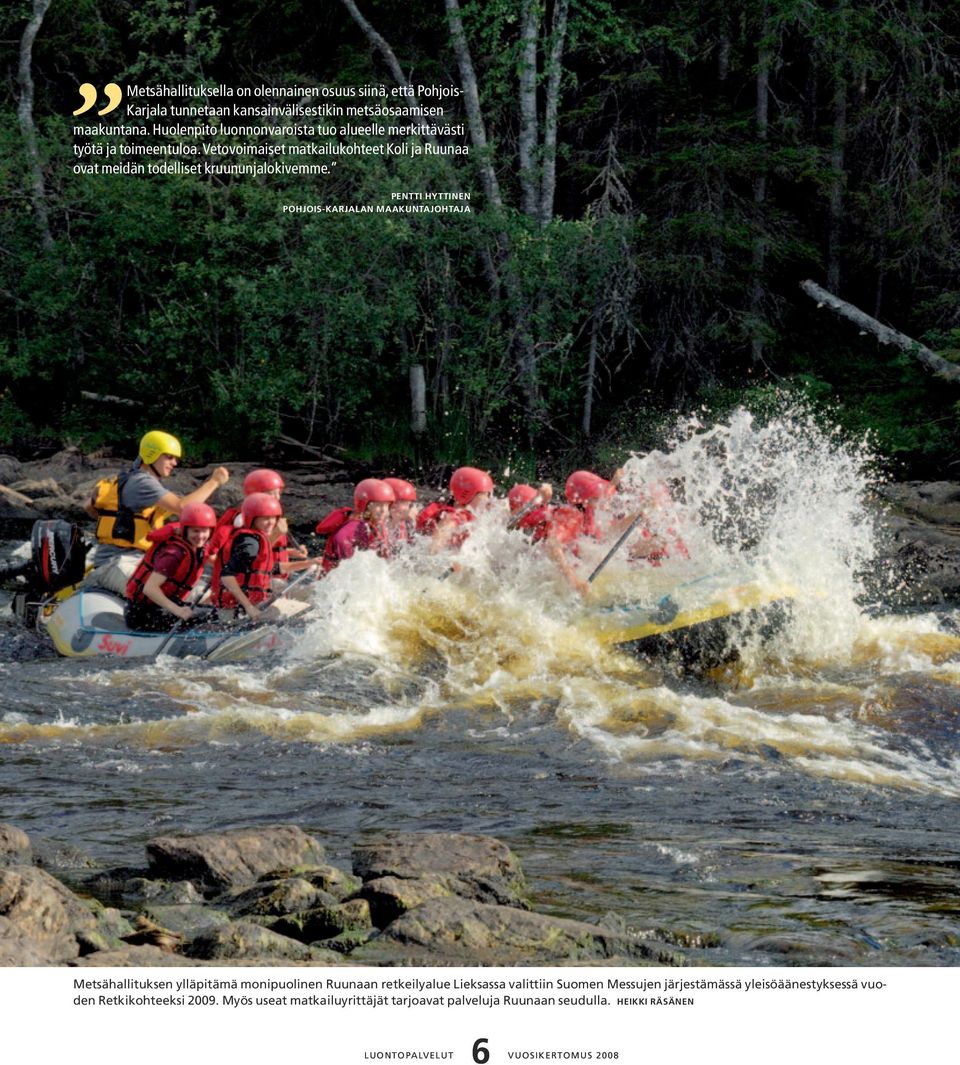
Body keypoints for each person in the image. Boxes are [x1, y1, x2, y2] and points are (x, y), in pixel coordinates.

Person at [85, 430, 229, 595]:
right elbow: (184, 508)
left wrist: (121, 523)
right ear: (151, 455)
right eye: (169, 457)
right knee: (170, 593)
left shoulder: (125, 478)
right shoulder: (142, 482)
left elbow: (88, 507)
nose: (174, 463)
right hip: (117, 563)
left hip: (131, 560)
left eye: (175, 458)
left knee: (192, 587)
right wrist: (215, 481)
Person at [124, 503, 217, 633]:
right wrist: (178, 610)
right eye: (195, 531)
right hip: (142, 614)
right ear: (185, 530)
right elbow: (149, 588)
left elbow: (219, 563)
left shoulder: (197, 547)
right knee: (211, 616)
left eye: (205, 531)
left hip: (163, 607)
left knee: (214, 611)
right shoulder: (172, 555)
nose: (201, 536)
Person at [208, 468, 308, 574]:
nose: (277, 498)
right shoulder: (242, 520)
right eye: (271, 494)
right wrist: (275, 534)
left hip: (271, 575)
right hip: (250, 577)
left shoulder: (266, 518)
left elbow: (269, 549)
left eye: (278, 493)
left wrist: (291, 552)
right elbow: (249, 553)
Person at [323, 478, 395, 572]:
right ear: (364, 505)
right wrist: (348, 564)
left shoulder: (372, 524)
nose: (383, 510)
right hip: (333, 580)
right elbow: (340, 539)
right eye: (378, 505)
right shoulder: (356, 525)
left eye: (386, 505)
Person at [416, 466, 494, 551]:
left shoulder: (467, 516)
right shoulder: (454, 518)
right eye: (485, 495)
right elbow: (435, 546)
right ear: (468, 494)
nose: (488, 500)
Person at [383, 477, 418, 549]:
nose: (411, 509)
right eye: (409, 505)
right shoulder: (371, 526)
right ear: (393, 505)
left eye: (411, 505)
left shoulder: (407, 524)